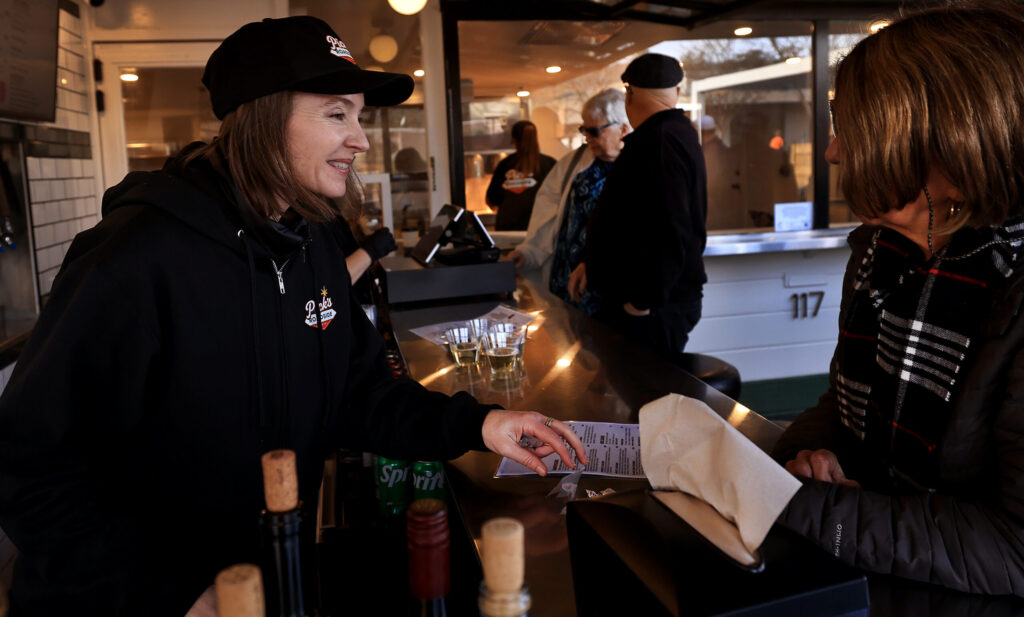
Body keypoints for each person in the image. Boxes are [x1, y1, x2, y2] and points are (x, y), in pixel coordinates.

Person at [0, 16, 587, 615]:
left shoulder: (311, 243)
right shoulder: (138, 256)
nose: (360, 139)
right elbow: (30, 463)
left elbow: (358, 394)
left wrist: (478, 427)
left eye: (359, 116)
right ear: (262, 119)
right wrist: (173, 595)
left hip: (265, 583)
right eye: (337, 114)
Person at [771, 1, 1024, 596]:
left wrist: (795, 504)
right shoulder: (882, 253)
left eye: (857, 129)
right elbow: (848, 403)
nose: (834, 152)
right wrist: (806, 452)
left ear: (956, 145)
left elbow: (1015, 548)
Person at [579, 53, 708, 356]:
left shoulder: (661, 141)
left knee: (645, 396)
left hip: (652, 309)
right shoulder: (669, 135)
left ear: (630, 94)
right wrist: (593, 263)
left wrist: (642, 301)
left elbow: (670, 228)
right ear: (676, 92)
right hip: (652, 302)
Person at [508, 88, 630, 315]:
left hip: (610, 291)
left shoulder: (640, 166)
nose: (587, 138)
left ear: (622, 129)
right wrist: (528, 252)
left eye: (594, 131)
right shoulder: (573, 163)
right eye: (584, 129)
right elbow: (547, 213)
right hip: (564, 287)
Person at [486, 120, 557, 231]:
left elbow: (493, 198)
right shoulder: (550, 164)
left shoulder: (505, 164)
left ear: (514, 139)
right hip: (540, 229)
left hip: (508, 228)